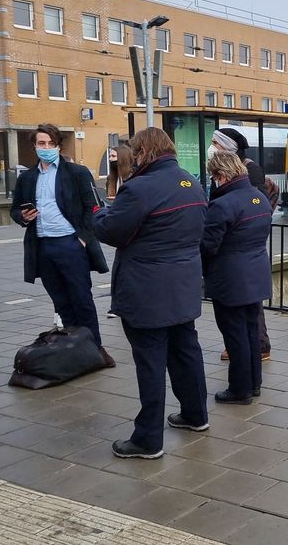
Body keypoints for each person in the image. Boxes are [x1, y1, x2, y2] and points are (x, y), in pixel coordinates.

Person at [94, 127, 209, 459]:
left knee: (151, 362)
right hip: (184, 286)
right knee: (186, 352)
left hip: (147, 290)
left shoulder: (139, 188)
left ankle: (148, 440)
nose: (131, 155)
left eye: (134, 150)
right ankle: (195, 415)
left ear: (143, 151)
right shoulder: (191, 181)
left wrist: (97, 213)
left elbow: (112, 231)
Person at [10, 124, 113, 366]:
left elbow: (93, 208)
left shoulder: (76, 173)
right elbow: (15, 209)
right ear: (35, 146)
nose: (45, 148)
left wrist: (82, 238)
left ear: (58, 146)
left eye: (50, 144)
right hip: (43, 245)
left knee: (82, 300)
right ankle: (73, 349)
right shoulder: (27, 177)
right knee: (61, 301)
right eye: (41, 144)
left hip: (70, 243)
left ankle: (96, 350)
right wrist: (23, 217)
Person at [202, 150, 273, 404]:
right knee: (251, 331)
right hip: (257, 275)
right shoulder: (259, 198)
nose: (213, 181)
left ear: (221, 175)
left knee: (235, 335)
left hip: (230, 280)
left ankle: (239, 389)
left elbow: (208, 246)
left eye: (213, 177)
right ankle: (254, 383)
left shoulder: (223, 204)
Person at [210, 129, 272, 362]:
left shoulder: (248, 170)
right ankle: (250, 357)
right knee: (245, 311)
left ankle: (258, 347)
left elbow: (254, 204)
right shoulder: (224, 172)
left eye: (216, 142)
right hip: (241, 253)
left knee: (247, 312)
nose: (212, 146)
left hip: (239, 250)